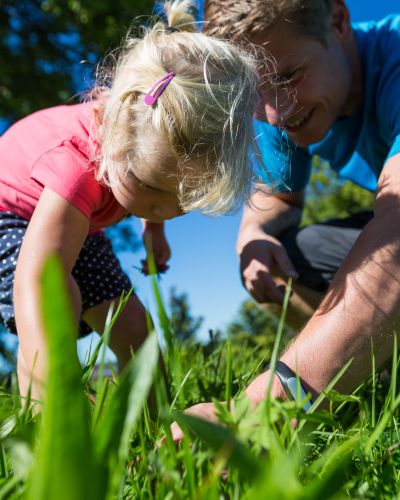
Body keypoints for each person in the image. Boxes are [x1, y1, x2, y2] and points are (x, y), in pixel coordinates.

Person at [0, 0, 260, 402]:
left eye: (184, 201)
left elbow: (156, 195)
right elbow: (37, 279)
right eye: (153, 190)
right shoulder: (75, 164)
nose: (167, 210)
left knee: (135, 328)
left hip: (80, 221)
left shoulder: (144, 158)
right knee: (58, 300)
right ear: (115, 148)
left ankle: (152, 426)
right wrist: (54, 396)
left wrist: (154, 231)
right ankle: (47, 421)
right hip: (13, 213)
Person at [170, 0, 400, 439]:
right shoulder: (280, 103)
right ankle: (379, 371)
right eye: (252, 94)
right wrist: (253, 233)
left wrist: (268, 405)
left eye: (289, 77)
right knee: (285, 261)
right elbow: (280, 199)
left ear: (337, 20)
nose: (275, 114)